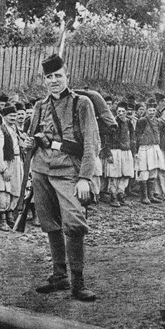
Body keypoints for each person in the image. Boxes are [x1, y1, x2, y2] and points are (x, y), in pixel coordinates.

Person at [24, 54, 100, 301]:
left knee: (74, 224)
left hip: (69, 172)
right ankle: (60, 277)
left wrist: (85, 178)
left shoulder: (82, 103)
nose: (54, 81)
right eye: (49, 77)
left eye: (58, 75)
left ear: (67, 76)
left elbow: (91, 143)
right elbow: (32, 139)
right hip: (41, 170)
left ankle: (78, 282)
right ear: (44, 80)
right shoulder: (39, 106)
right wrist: (28, 142)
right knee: (49, 223)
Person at [0, 105, 24, 230]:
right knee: (3, 189)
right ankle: (2, 219)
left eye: (15, 115)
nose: (13, 118)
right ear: (4, 117)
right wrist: (3, 168)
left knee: (15, 188)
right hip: (5, 162)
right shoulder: (0, 131)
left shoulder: (15, 130)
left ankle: (10, 215)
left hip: (16, 161)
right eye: (11, 116)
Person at [105, 101, 136, 207]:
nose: (121, 113)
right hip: (115, 151)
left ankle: (121, 194)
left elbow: (132, 138)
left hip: (126, 151)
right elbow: (107, 139)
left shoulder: (129, 123)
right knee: (114, 174)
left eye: (123, 111)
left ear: (126, 112)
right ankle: (113, 196)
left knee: (125, 173)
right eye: (119, 111)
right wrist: (108, 153)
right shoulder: (112, 122)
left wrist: (133, 152)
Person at [135, 101, 164, 204]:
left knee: (153, 171)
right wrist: (137, 149)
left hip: (154, 147)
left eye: (153, 110)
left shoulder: (158, 122)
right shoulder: (142, 121)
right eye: (150, 110)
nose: (152, 112)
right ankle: (144, 196)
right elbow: (137, 135)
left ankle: (151, 195)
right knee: (144, 170)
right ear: (146, 111)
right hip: (144, 148)